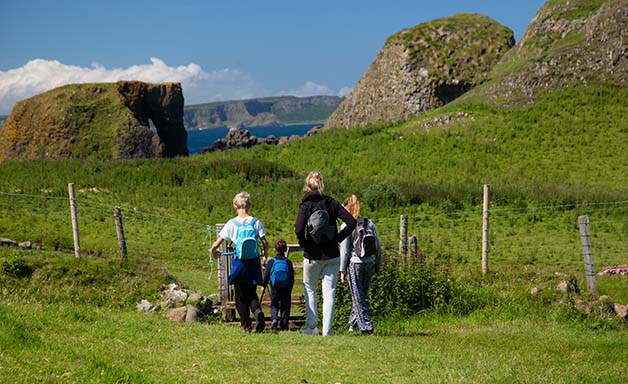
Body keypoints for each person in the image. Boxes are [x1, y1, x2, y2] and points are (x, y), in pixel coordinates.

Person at [295, 171, 356, 336]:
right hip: (332, 255)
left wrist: (304, 243)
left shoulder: (305, 205)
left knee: (310, 289)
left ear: (307, 186)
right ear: (322, 184)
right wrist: (337, 238)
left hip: (312, 254)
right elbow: (351, 222)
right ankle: (327, 331)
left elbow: (299, 228)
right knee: (329, 292)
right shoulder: (331, 203)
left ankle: (312, 327)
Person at [210, 191, 269, 333]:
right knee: (252, 293)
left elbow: (216, 244)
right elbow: (265, 243)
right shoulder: (256, 222)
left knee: (240, 295)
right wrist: (264, 255)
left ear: (235, 205)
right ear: (249, 205)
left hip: (240, 263)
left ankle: (246, 325)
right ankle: (257, 311)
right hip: (253, 262)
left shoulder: (232, 223)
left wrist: (214, 252)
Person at [340, 194, 382, 334]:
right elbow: (378, 246)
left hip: (355, 263)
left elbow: (345, 251)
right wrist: (378, 263)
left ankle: (367, 327)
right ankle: (352, 325)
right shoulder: (369, 223)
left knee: (357, 296)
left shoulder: (346, 225)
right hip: (369, 263)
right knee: (361, 295)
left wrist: (342, 270)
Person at [262, 238, 295, 331]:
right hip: (286, 288)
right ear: (285, 250)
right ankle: (284, 325)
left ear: (274, 249)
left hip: (274, 287)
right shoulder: (288, 262)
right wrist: (290, 288)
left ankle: (274, 319)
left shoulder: (271, 261)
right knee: (285, 306)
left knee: (274, 304)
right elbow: (292, 277)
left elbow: (267, 275)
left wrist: (263, 284)